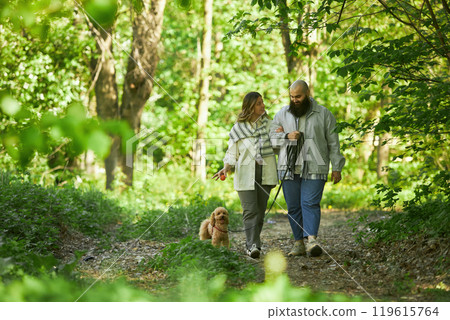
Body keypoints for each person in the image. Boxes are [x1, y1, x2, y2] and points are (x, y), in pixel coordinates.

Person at [269, 80, 345, 257]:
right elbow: (270, 140)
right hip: (288, 167)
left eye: (298, 96)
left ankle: (311, 241)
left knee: (310, 203)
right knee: (294, 207)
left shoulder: (324, 114)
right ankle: (298, 243)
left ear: (308, 94)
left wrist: (337, 167)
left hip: (315, 165)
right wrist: (287, 136)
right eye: (292, 96)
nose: (294, 100)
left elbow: (334, 143)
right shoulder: (282, 114)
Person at [213, 92, 278, 259]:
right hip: (245, 173)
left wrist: (285, 136)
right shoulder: (238, 128)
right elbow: (232, 152)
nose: (263, 106)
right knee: (250, 211)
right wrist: (226, 168)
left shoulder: (271, 125)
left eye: (263, 102)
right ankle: (252, 246)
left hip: (265, 172)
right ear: (250, 107)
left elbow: (278, 146)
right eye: (258, 103)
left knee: (260, 212)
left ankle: (254, 242)